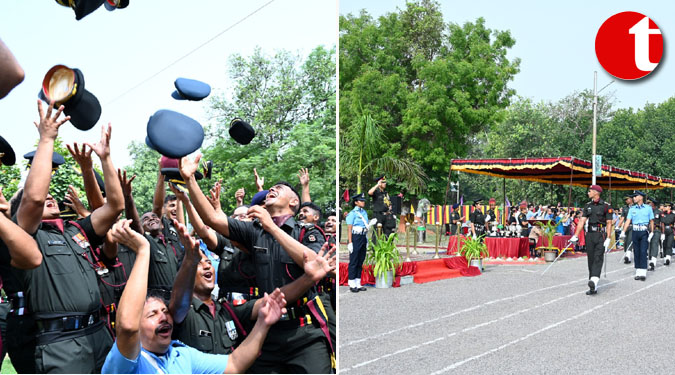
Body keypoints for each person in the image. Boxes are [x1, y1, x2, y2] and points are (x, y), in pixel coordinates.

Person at [179, 155, 333, 374]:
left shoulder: (305, 232)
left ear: (294, 203)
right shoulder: (254, 231)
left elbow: (314, 263)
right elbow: (213, 221)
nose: (271, 189)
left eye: (278, 188)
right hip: (266, 330)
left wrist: (271, 227)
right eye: (270, 188)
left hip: (304, 332)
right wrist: (190, 180)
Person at [12, 102, 124, 373]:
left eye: (52, 195)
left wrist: (105, 159)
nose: (49, 195)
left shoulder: (76, 230)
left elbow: (115, 206)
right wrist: (47, 139)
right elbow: (35, 196)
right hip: (61, 344)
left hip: (99, 334)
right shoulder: (26, 235)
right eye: (41, 199)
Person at [101, 220, 285, 374]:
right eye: (152, 314)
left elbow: (234, 363)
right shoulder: (127, 363)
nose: (164, 317)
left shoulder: (181, 355)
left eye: (165, 311)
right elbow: (127, 327)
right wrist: (143, 251)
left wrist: (263, 323)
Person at [570, 185, 613, 295]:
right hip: (589, 234)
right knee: (591, 259)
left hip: (600, 234)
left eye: (590, 191)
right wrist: (575, 235)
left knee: (598, 257)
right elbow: (582, 221)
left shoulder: (606, 206)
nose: (588, 193)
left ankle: (594, 280)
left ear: (596, 192)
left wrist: (608, 237)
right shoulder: (587, 206)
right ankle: (593, 285)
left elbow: (609, 223)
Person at [620, 190, 654, 281]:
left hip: (644, 231)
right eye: (633, 196)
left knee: (643, 251)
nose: (634, 198)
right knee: (636, 251)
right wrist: (623, 231)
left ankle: (643, 271)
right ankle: (638, 270)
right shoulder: (632, 209)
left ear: (641, 197)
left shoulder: (648, 208)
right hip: (635, 231)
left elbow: (651, 221)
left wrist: (652, 232)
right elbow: (628, 220)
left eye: (635, 196)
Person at [347, 193, 369, 293]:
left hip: (363, 236)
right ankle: (352, 283)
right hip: (355, 236)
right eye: (361, 200)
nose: (363, 202)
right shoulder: (352, 213)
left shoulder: (364, 212)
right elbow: (349, 229)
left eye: (363, 200)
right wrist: (350, 242)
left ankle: (358, 282)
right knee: (354, 260)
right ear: (356, 202)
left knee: (361, 260)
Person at [646, 197, 663, 271]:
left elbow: (662, 223)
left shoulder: (658, 212)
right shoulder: (647, 211)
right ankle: (650, 261)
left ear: (652, 203)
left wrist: (662, 233)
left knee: (654, 245)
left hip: (656, 230)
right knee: (649, 246)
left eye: (649, 203)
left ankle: (653, 262)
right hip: (648, 231)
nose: (648, 204)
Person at [619, 194, 634, 263]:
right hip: (625, 227)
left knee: (630, 240)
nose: (626, 200)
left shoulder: (635, 207)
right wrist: (618, 226)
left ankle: (628, 256)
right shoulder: (625, 208)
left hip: (632, 226)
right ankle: (626, 254)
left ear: (631, 199)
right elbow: (622, 218)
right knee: (625, 241)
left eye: (627, 199)